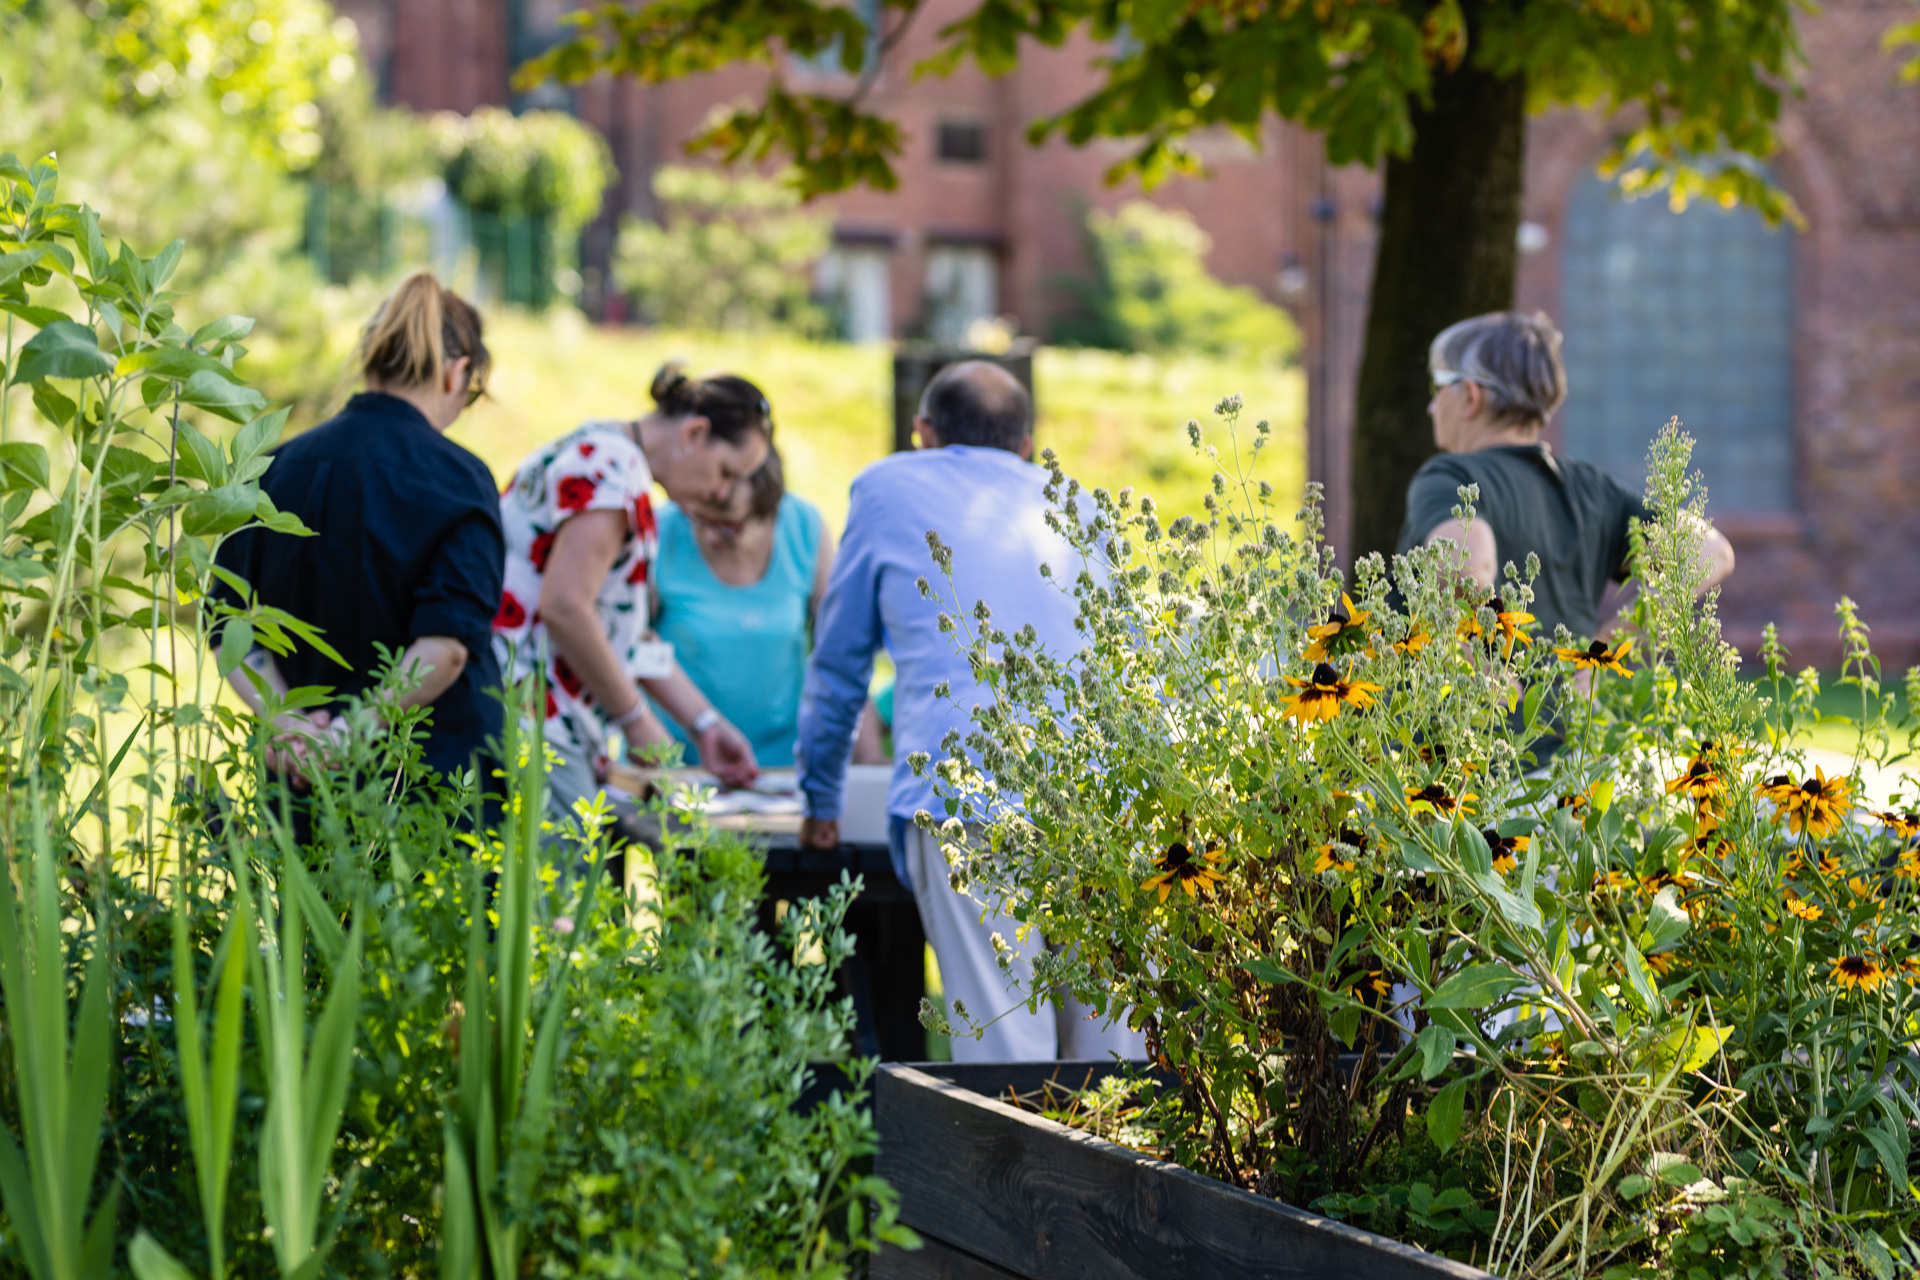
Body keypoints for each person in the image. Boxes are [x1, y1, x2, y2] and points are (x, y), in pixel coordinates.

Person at [795, 360, 1144, 1063]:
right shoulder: (1079, 503)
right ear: (1027, 441)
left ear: (922, 433)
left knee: (1005, 1048)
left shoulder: (887, 487)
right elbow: (1131, 659)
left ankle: (1014, 1174)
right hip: (1109, 795)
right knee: (1112, 1052)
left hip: (970, 790)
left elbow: (839, 663)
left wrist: (821, 798)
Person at [216, 270, 504, 785]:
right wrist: (350, 738)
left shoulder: (273, 467)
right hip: (425, 790)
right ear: (455, 374)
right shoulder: (460, 480)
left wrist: (289, 724)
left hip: (296, 783)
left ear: (371, 358)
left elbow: (227, 625)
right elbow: (448, 646)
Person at [492, 363, 765, 827]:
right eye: (725, 472)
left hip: (538, 717)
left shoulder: (606, 451)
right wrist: (635, 720)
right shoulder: (612, 470)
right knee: (561, 890)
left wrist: (705, 724)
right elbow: (566, 608)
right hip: (534, 720)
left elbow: (619, 632)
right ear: (694, 433)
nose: (721, 492)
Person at [1397, 310, 1734, 649]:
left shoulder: (1450, 477)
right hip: (1573, 703)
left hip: (1482, 702)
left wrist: (1495, 671)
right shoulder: (1593, 491)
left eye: (1436, 385)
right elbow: (1710, 552)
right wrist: (1601, 650)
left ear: (1471, 396)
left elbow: (1468, 564)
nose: (1431, 406)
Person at [650, 444, 886, 769]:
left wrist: (870, 756)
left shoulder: (803, 526)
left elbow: (843, 650)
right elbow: (630, 646)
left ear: (769, 514)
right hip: (679, 763)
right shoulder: (661, 532)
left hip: (783, 764)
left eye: (729, 527)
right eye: (699, 519)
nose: (709, 536)